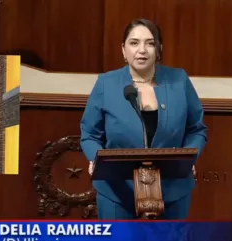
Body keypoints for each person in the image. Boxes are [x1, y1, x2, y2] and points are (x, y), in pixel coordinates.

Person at [80, 19, 208, 220]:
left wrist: (190, 156)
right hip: (117, 188)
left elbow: (197, 129)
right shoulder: (106, 83)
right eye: (134, 43)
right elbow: (89, 134)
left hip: (173, 187)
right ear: (123, 50)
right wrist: (96, 159)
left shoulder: (179, 80)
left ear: (159, 49)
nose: (142, 50)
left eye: (150, 43)